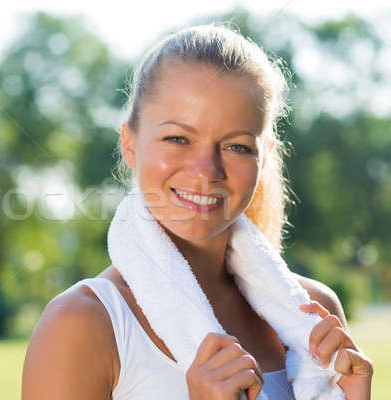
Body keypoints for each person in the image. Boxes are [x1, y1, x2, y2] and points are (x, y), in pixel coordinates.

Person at [21, 24, 373, 400]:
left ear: (264, 155)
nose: (206, 171)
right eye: (178, 139)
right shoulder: (82, 324)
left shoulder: (313, 316)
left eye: (236, 146)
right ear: (130, 143)